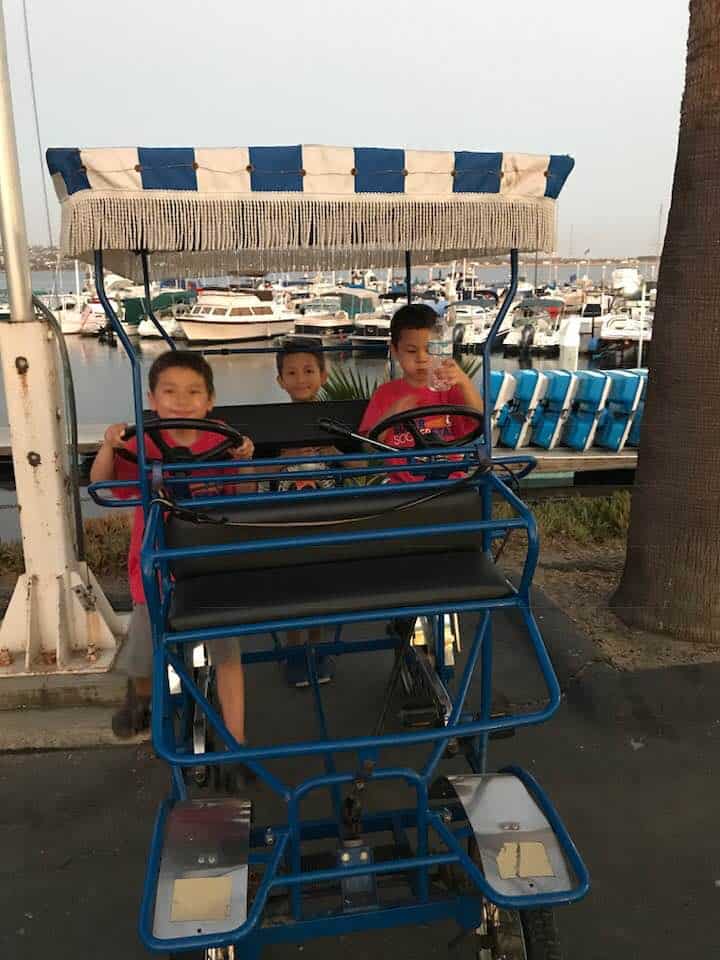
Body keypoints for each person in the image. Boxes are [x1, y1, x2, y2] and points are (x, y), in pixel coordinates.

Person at [90, 350, 255, 749]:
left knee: (227, 652)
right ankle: (141, 696)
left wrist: (246, 459)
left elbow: (244, 494)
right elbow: (103, 485)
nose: (182, 400)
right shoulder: (141, 442)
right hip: (157, 567)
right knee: (146, 653)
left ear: (209, 400)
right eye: (170, 391)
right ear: (152, 399)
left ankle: (237, 742)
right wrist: (109, 446)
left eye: (193, 392)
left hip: (210, 564)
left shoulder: (223, 438)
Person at [358, 303, 483, 481]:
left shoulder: (448, 388)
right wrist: (391, 414)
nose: (422, 358)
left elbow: (479, 418)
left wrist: (464, 382)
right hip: (401, 486)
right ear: (395, 351)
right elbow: (368, 446)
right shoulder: (384, 394)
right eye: (411, 351)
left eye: (429, 349)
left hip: (451, 481)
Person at [273, 340, 337, 686]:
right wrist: (281, 459)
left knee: (320, 587)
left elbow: (356, 464)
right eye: (292, 373)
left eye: (309, 371)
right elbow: (259, 473)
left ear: (323, 376)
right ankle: (294, 648)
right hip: (287, 518)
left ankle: (317, 645)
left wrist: (331, 450)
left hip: (327, 516)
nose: (301, 379)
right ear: (280, 380)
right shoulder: (271, 425)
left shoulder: (335, 422)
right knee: (292, 587)